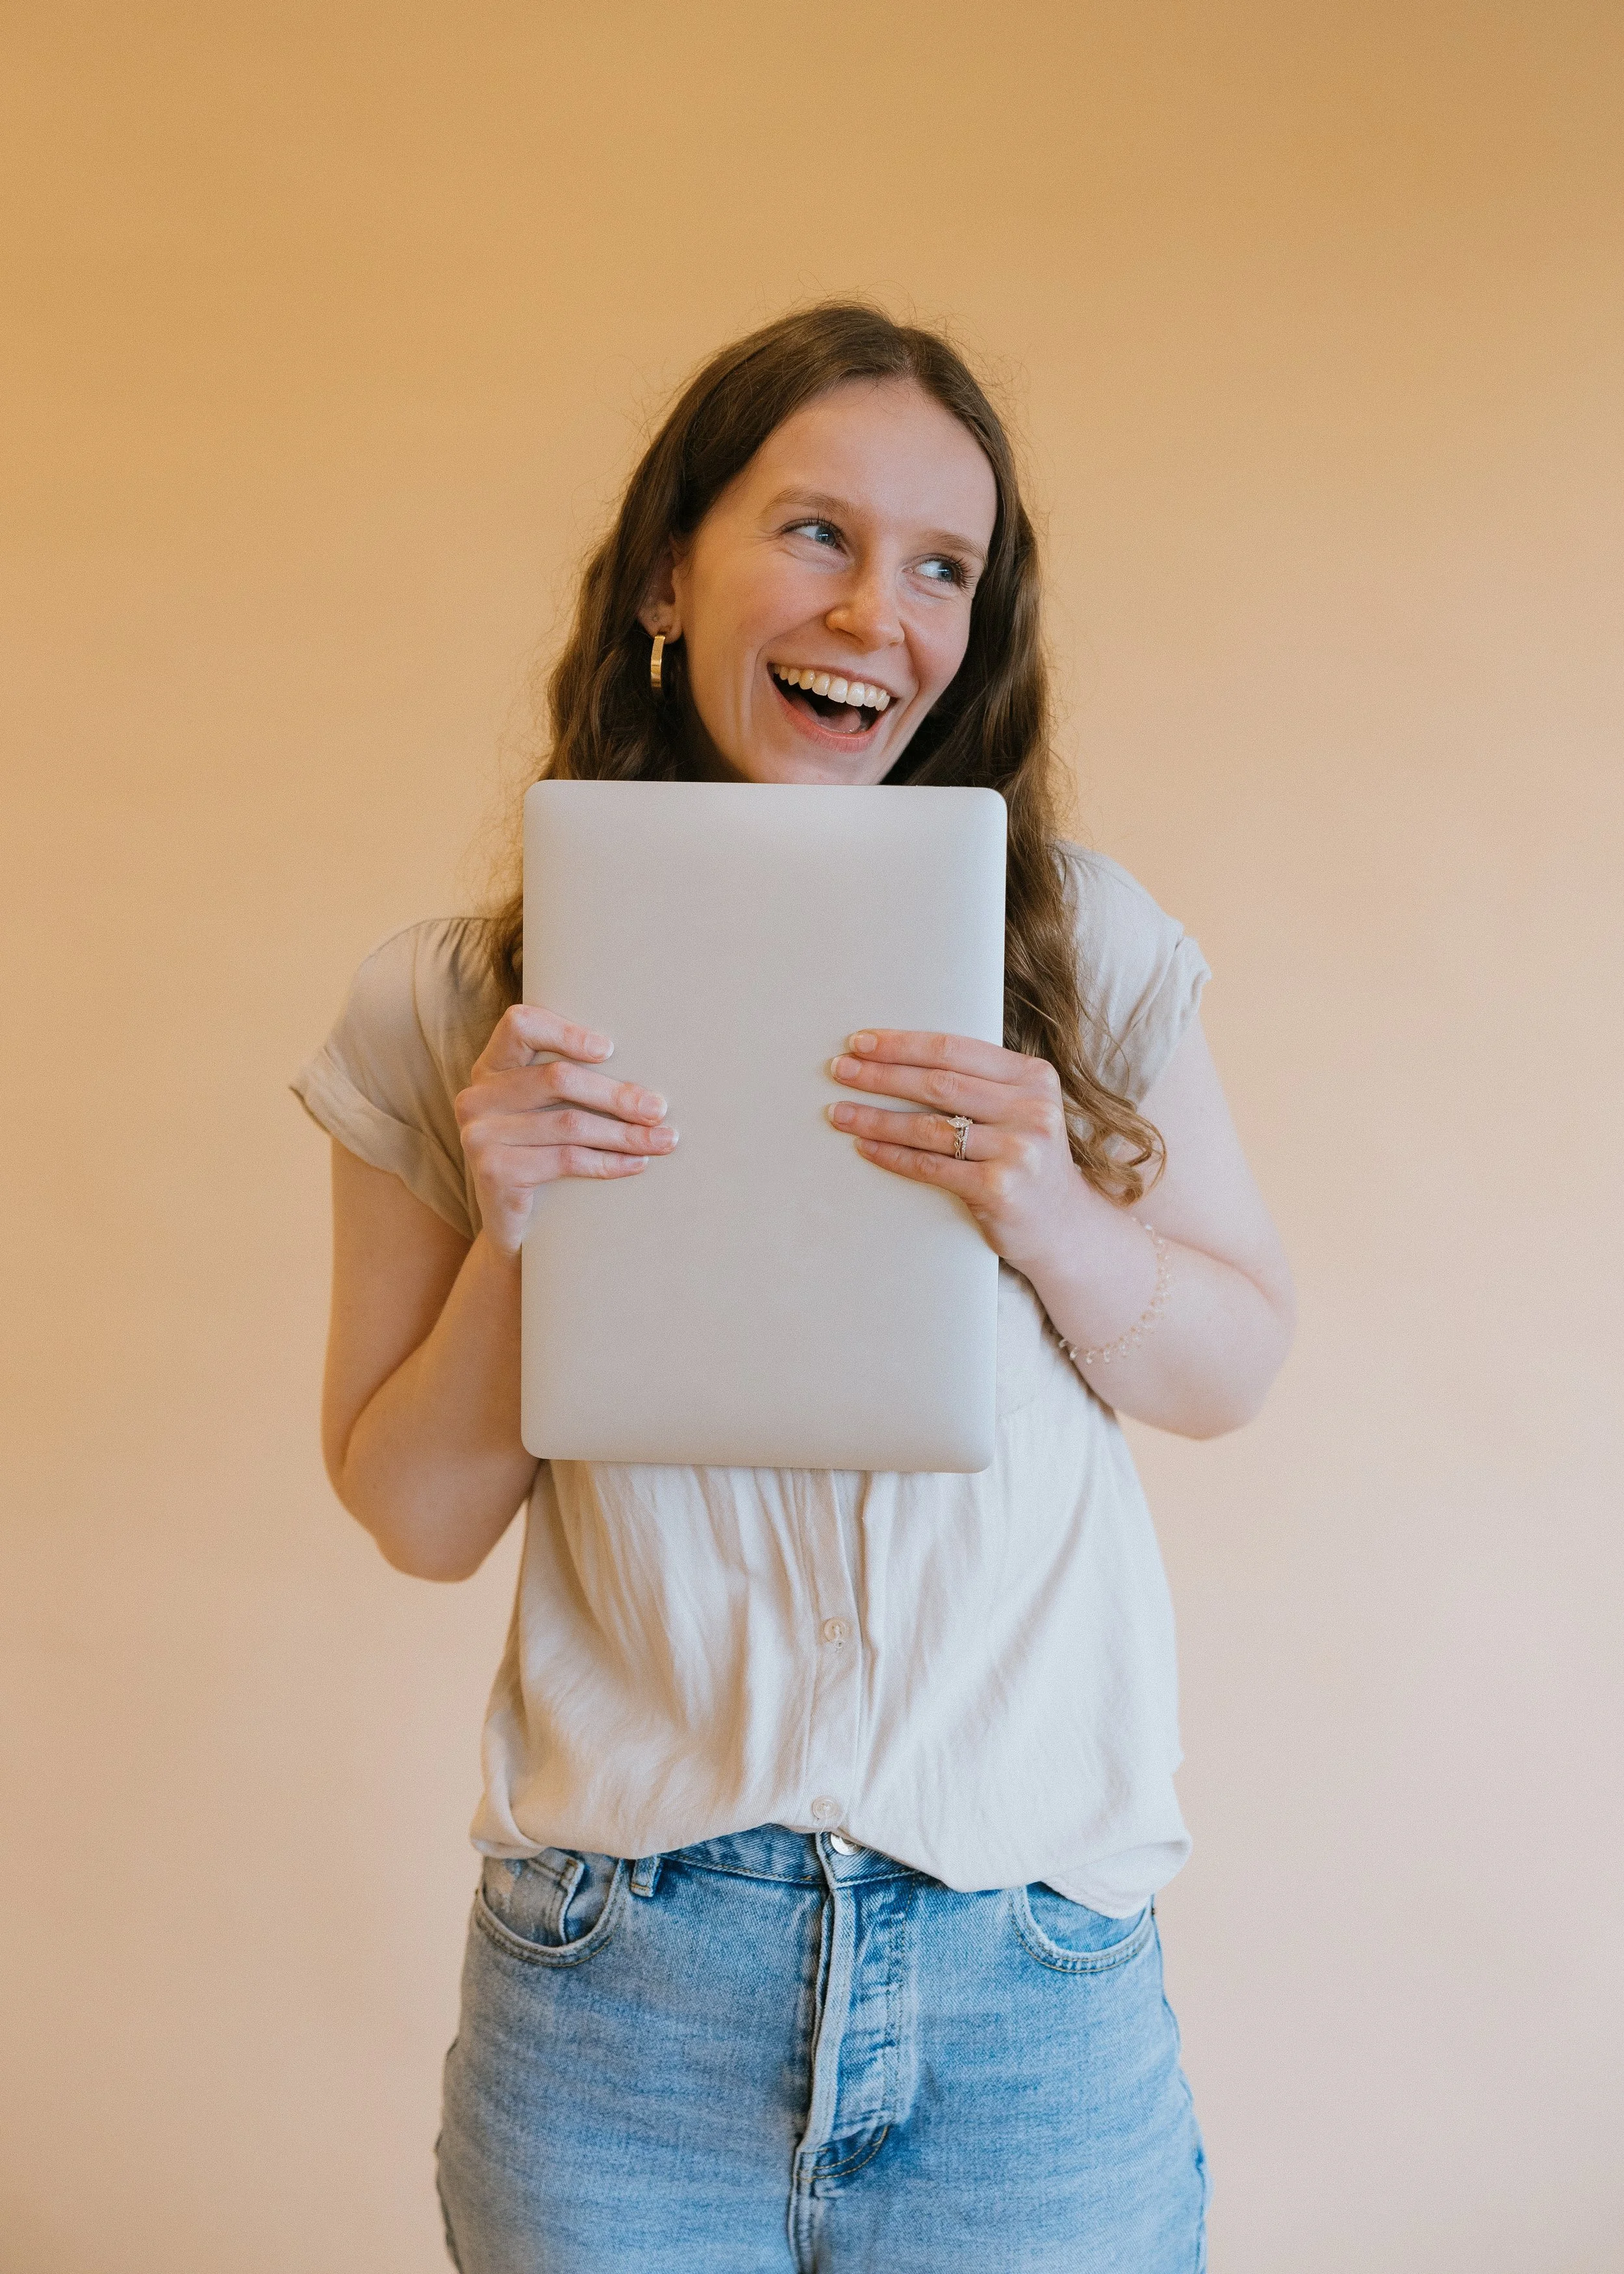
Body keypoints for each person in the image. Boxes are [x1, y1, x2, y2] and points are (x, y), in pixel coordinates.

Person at [295, 303, 1294, 2274]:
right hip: (620, 1991)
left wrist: (1046, 1208)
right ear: (667, 572)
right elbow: (414, 1514)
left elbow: (1230, 1364)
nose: (876, 615)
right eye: (816, 532)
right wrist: (518, 1228)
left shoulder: (1080, 946)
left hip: (1030, 1989)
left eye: (942, 567)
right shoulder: (446, 1003)